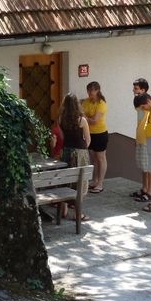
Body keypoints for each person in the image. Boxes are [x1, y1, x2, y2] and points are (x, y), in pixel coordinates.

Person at [56, 92, 91, 220]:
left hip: (66, 152)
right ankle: (77, 214)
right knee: (80, 183)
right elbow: (88, 140)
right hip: (80, 153)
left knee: (66, 180)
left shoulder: (60, 119)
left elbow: (62, 137)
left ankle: (63, 210)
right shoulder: (82, 120)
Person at [81, 81, 108, 193]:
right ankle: (95, 180)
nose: (89, 93)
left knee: (101, 158)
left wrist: (86, 118)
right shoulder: (86, 101)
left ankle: (100, 183)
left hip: (100, 134)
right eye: (88, 90)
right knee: (94, 158)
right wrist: (87, 118)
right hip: (89, 133)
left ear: (97, 91)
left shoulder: (101, 103)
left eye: (91, 90)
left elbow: (94, 121)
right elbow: (81, 114)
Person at [131, 78, 151, 202]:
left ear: (143, 90)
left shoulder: (147, 105)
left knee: (148, 168)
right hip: (140, 138)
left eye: (136, 88)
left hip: (146, 140)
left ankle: (149, 192)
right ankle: (144, 188)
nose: (133, 90)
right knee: (143, 167)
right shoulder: (138, 104)